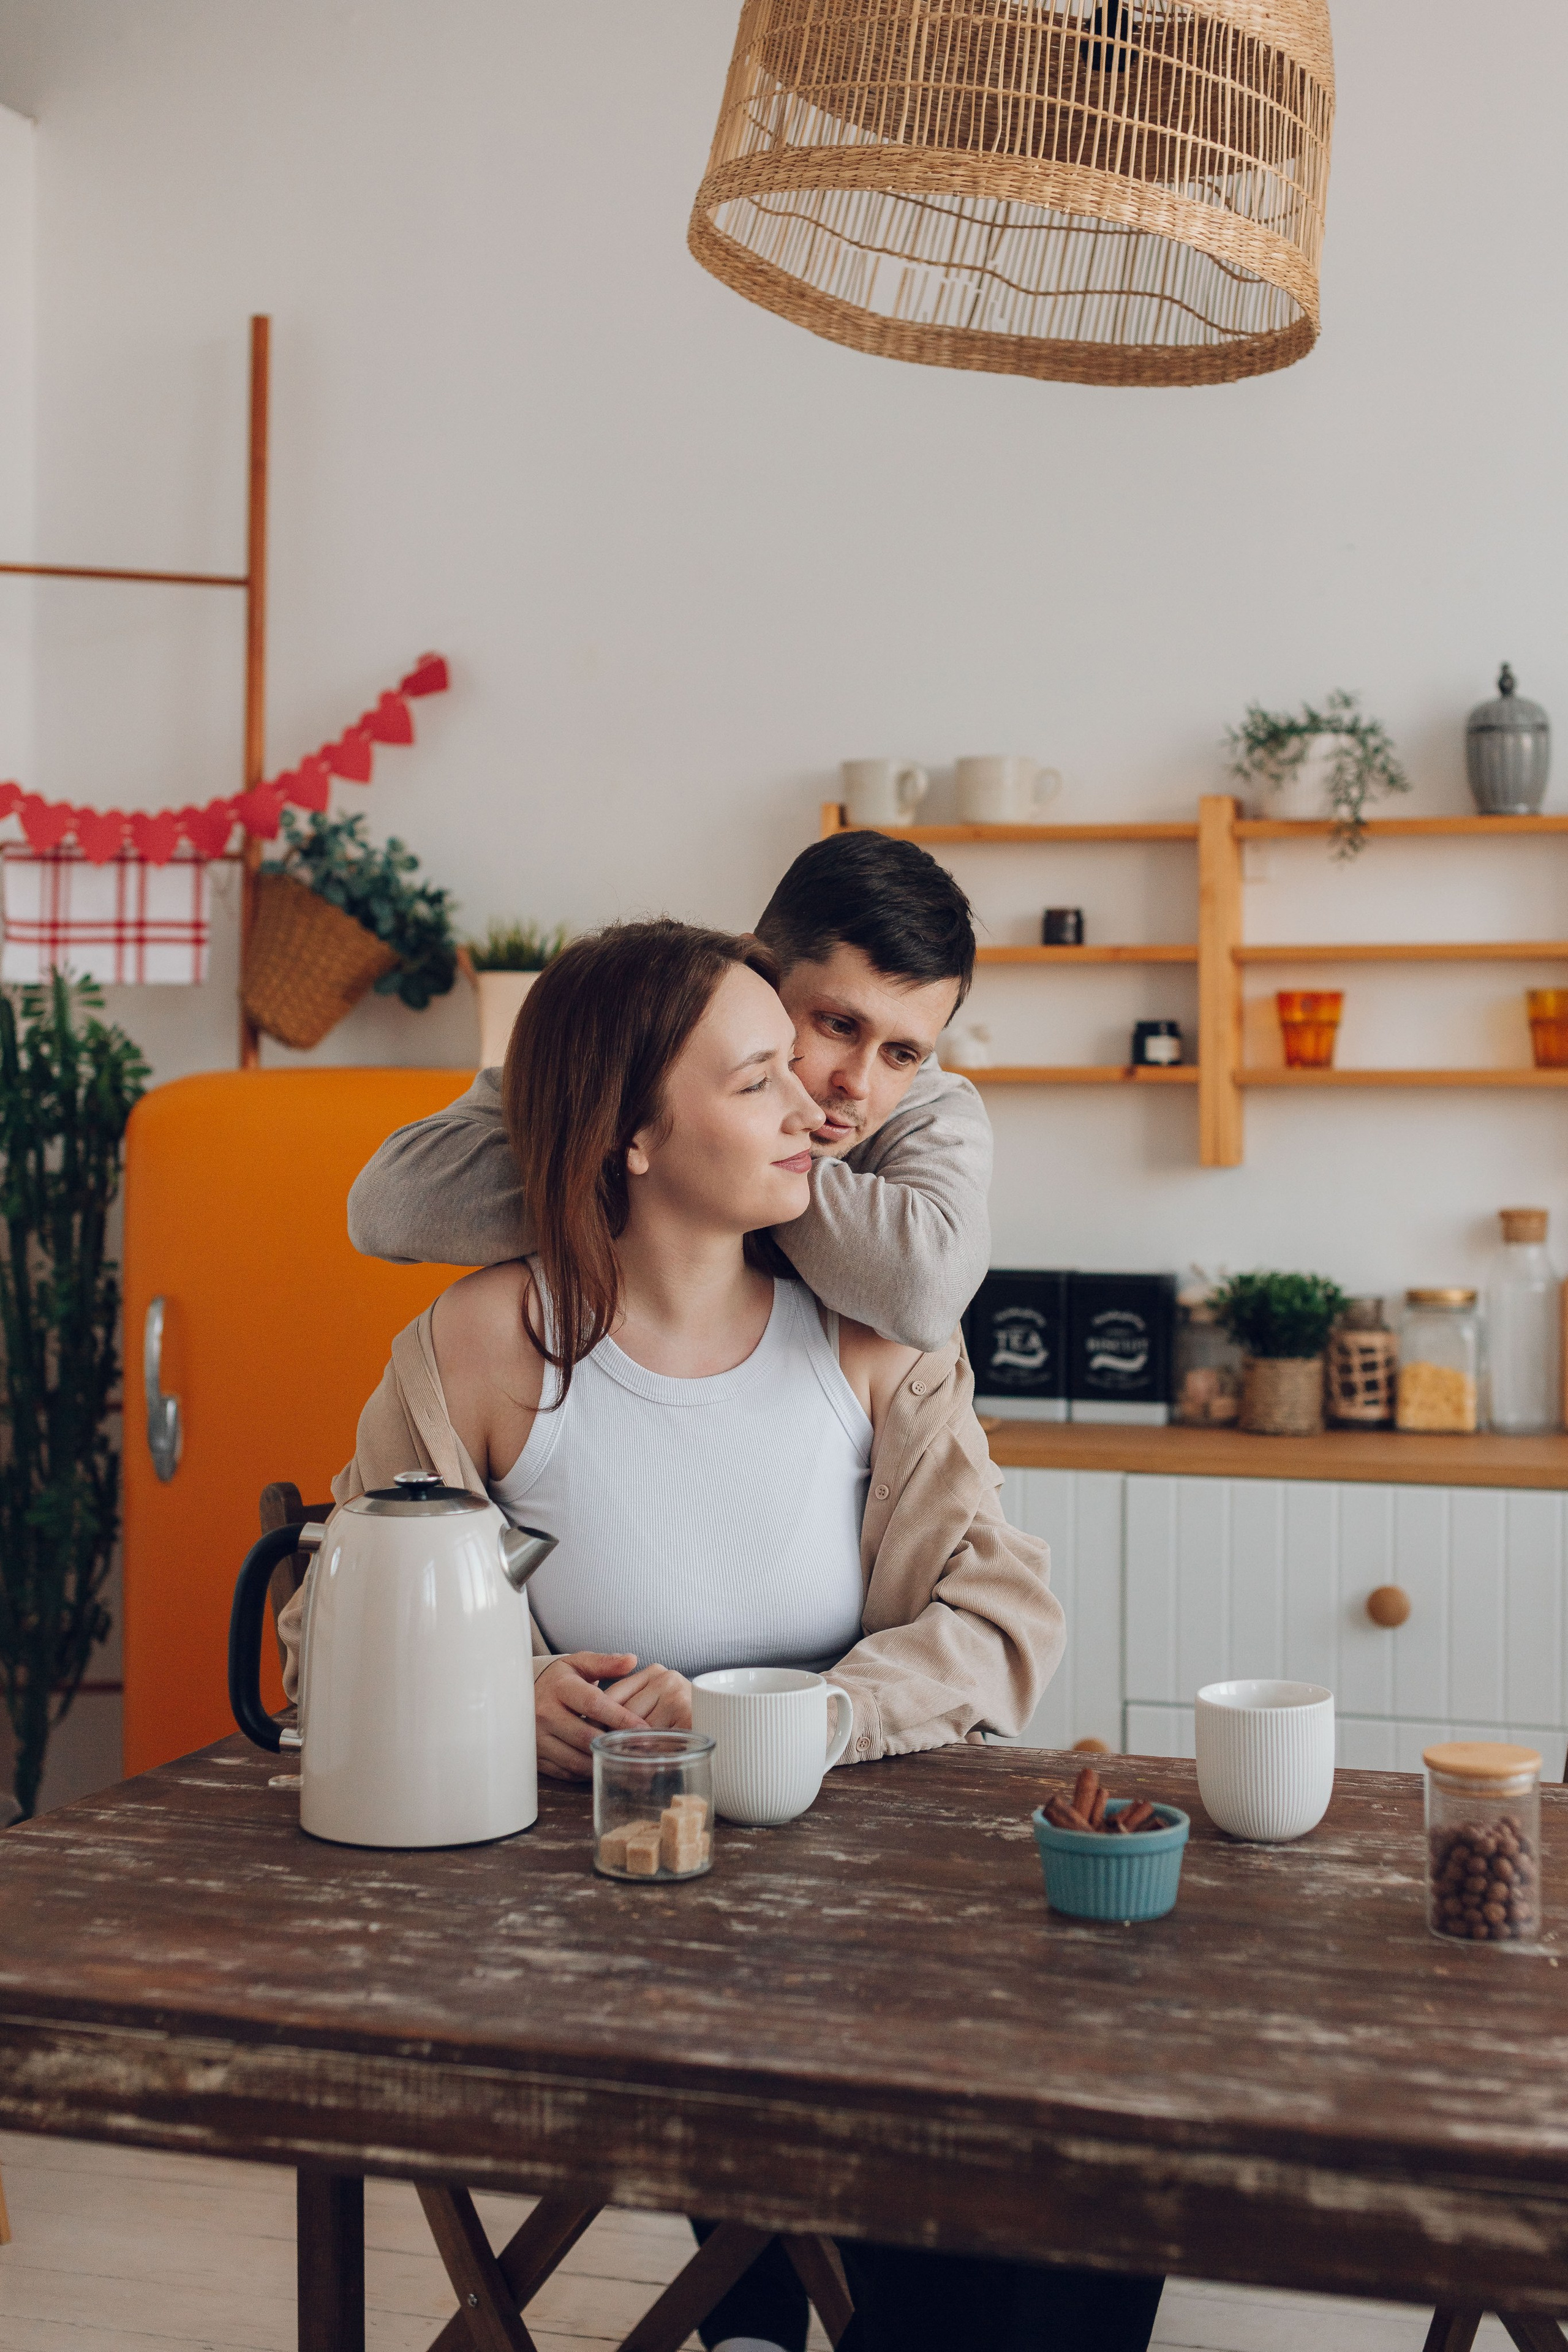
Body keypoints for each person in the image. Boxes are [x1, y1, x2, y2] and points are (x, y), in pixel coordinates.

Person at [282, 918, 1159, 2352]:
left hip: (874, 1929)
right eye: (759, 1081)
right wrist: (502, 1696)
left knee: (1086, 2164)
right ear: (630, 1132)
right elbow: (338, 1625)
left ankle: (772, 2308)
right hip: (617, 1940)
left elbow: (999, 1617)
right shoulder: (486, 1347)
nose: (819, 1106)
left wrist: (815, 1717)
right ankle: (763, 2301)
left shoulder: (873, 1347)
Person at [345, 830, 990, 1353]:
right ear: (758, 965)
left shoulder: (933, 1110)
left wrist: (706, 1169)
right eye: (837, 1024)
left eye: (902, 1054)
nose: (859, 1082)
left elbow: (923, 1294)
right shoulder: (645, 1045)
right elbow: (391, 1206)